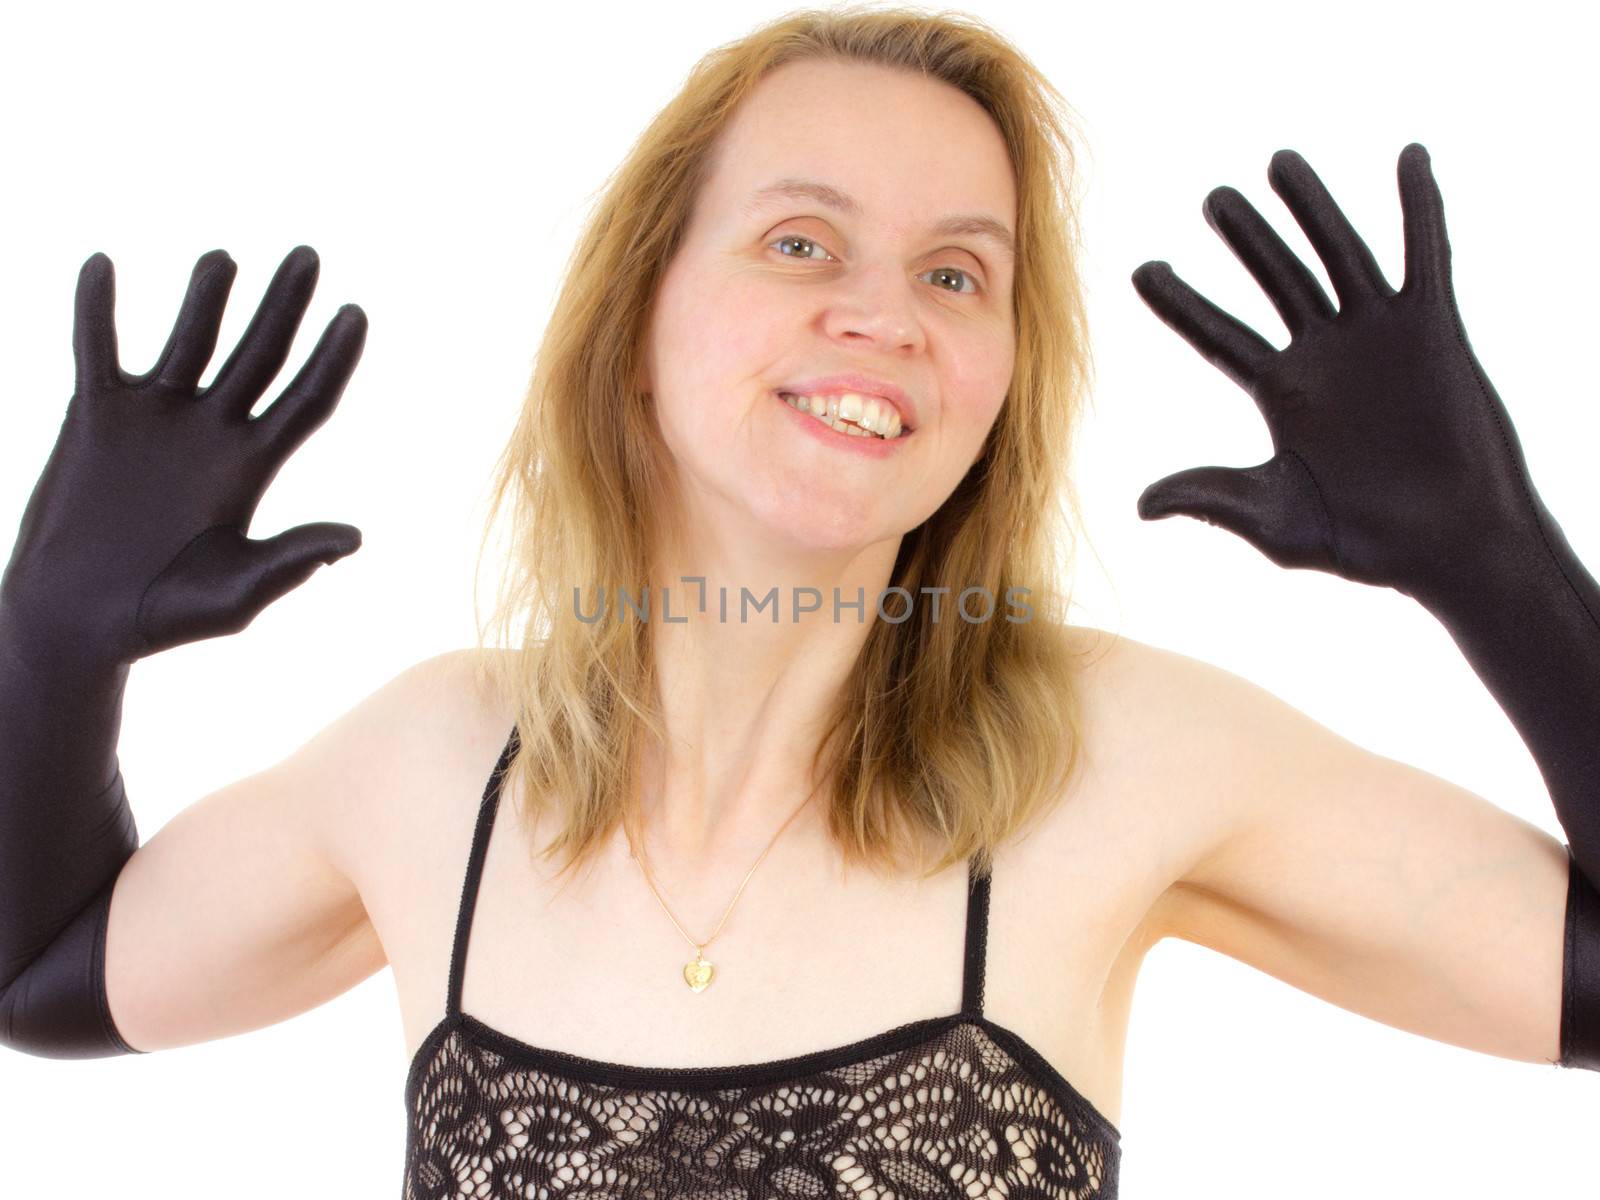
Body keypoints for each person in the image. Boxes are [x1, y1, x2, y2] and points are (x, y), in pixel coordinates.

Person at [2, 6, 1594, 1198]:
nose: (882, 314)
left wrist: (1496, 557)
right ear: (638, 320)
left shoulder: (1124, 753)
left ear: (998, 384)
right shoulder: (437, 764)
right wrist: (54, 628)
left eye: (958, 275)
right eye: (800, 239)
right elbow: (44, 979)